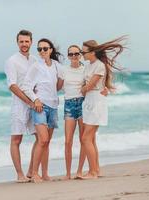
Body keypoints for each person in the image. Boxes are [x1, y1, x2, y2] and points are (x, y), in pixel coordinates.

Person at [80, 36, 126, 179]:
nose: (82, 54)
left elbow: (89, 86)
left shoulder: (99, 65)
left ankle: (92, 172)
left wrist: (84, 88)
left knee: (85, 138)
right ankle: (96, 170)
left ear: (92, 52)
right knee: (91, 139)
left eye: (84, 52)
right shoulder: (87, 66)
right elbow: (84, 85)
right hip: (89, 102)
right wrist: (84, 88)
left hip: (97, 102)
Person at [22, 38, 63, 183]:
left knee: (47, 142)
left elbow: (60, 84)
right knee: (42, 139)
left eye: (45, 48)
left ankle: (45, 173)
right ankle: (34, 173)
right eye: (39, 49)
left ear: (51, 50)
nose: (42, 51)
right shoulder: (35, 66)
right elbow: (26, 86)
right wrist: (36, 99)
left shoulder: (57, 65)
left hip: (53, 107)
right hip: (40, 107)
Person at [4, 30, 37, 183]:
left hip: (35, 103)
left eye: (27, 41)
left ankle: (31, 171)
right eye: (21, 41)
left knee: (41, 137)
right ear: (17, 43)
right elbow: (12, 85)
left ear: (31, 42)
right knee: (16, 139)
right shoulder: (12, 61)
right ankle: (20, 174)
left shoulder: (35, 60)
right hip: (19, 105)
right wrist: (28, 101)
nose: (24, 44)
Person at [57, 45, 86, 180]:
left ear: (80, 54)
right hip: (68, 104)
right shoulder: (63, 70)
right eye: (71, 54)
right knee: (68, 141)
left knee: (84, 140)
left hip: (83, 104)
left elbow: (94, 84)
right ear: (68, 56)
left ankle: (79, 171)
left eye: (76, 53)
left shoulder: (86, 69)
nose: (74, 56)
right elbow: (57, 87)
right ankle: (68, 173)